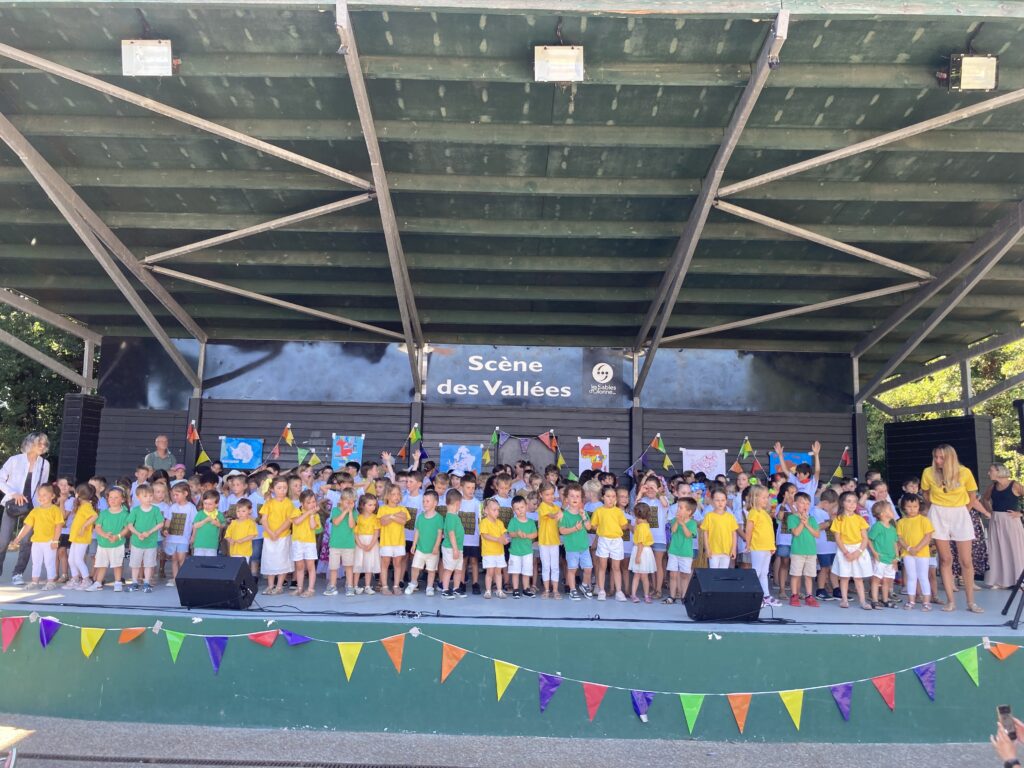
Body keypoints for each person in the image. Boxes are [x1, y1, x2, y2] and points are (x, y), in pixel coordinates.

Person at [920, 444, 991, 613]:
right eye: (936, 457)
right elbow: (925, 493)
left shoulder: (964, 472)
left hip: (960, 512)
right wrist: (934, 507)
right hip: (938, 512)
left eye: (941, 457)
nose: (938, 460)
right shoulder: (928, 472)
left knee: (966, 560)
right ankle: (950, 601)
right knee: (945, 559)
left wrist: (964, 511)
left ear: (950, 458)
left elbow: (972, 495)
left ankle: (971, 602)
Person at [0, 431, 51, 585]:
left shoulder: (45, 464)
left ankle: (18, 573)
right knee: (3, 540)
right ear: (30, 443)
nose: (42, 446)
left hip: (33, 507)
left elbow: (42, 486)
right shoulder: (14, 460)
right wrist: (13, 493)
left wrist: (43, 505)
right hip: (13, 504)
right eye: (39, 443)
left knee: (27, 541)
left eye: (44, 443)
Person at [7, 482, 62, 590]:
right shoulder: (35, 511)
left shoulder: (55, 510)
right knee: (36, 562)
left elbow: (58, 526)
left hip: (49, 541)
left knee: (49, 562)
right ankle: (34, 581)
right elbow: (27, 526)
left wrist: (55, 541)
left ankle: (51, 582)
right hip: (36, 542)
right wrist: (18, 538)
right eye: (39, 495)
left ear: (52, 496)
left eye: (44, 495)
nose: (41, 497)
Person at [981, 463, 1024, 589]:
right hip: (996, 520)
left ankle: (1019, 581)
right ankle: (999, 581)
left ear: (999, 471)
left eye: (991, 470)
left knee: (1014, 549)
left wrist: (1021, 513)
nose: (988, 473)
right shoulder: (992, 486)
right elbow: (985, 499)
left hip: (1011, 520)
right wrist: (990, 511)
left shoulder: (1015, 485)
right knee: (997, 550)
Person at [832, 490, 872, 610]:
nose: (852, 504)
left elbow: (865, 538)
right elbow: (837, 538)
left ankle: (863, 601)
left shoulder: (860, 519)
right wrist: (845, 552)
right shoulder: (838, 519)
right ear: (842, 503)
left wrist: (858, 552)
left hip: (858, 549)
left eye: (854, 501)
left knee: (858, 577)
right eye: (849, 501)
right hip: (844, 549)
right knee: (844, 577)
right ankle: (844, 600)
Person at [86, 486, 129, 592]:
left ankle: (118, 582)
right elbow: (97, 527)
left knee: (117, 564)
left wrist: (117, 536)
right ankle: (98, 583)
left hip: (117, 544)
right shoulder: (104, 513)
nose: (113, 500)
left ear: (122, 499)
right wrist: (105, 535)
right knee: (101, 564)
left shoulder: (125, 514)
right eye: (110, 497)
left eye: (116, 497)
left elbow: (127, 528)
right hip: (103, 544)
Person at [590, 486, 628, 602]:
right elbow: (593, 525)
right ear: (602, 497)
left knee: (616, 567)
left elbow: (624, 526)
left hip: (616, 541)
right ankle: (601, 590)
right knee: (602, 566)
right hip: (603, 540)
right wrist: (602, 529)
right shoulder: (599, 511)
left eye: (613, 496)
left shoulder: (618, 511)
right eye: (608, 496)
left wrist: (615, 527)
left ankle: (619, 591)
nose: (611, 499)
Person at [896, 493, 933, 611]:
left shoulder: (924, 520)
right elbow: (899, 538)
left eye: (915, 506)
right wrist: (908, 548)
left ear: (919, 506)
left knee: (923, 576)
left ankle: (926, 602)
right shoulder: (901, 522)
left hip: (922, 553)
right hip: (908, 554)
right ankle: (911, 601)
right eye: (909, 507)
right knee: (911, 577)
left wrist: (917, 548)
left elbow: (928, 536)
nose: (912, 509)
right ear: (904, 507)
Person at [259, 477, 295, 595]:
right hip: (269, 536)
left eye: (285, 488)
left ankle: (279, 586)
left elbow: (288, 520)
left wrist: (277, 532)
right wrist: (270, 532)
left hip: (283, 536)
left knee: (282, 560)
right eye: (279, 488)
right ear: (272, 489)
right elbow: (264, 519)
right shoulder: (269, 502)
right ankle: (270, 585)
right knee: (269, 560)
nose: (282, 490)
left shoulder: (288, 503)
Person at [406, 488, 444, 596]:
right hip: (420, 548)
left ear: (435, 503)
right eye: (423, 501)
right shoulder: (420, 517)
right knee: (415, 567)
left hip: (433, 550)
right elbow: (417, 531)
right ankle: (413, 583)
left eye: (427, 501)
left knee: (431, 570)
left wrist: (436, 547)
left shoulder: (439, 518)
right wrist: (414, 544)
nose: (425, 503)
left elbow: (439, 534)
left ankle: (429, 587)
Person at [126, 484, 163, 593]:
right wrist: (138, 534)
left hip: (151, 543)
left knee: (149, 564)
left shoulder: (156, 510)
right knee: (135, 564)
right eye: (145, 496)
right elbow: (130, 525)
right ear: (138, 497)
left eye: (151, 495)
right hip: (137, 542)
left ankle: (147, 582)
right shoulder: (135, 510)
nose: (149, 498)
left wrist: (149, 532)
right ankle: (134, 582)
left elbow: (160, 523)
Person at [559, 485, 593, 601]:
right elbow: (562, 530)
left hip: (584, 547)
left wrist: (584, 517)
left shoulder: (583, 512)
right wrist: (575, 528)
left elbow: (588, 527)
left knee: (588, 568)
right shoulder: (564, 514)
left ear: (581, 499)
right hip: (572, 548)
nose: (575, 498)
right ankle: (572, 590)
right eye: (572, 496)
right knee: (572, 569)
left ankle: (584, 585)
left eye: (578, 496)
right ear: (566, 499)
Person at [376, 483, 411, 596]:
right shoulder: (382, 508)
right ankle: (384, 586)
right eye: (393, 494)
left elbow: (403, 521)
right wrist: (395, 516)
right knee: (385, 564)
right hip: (386, 542)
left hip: (399, 542)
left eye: (398, 494)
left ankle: (396, 586)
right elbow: (383, 522)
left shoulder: (403, 508)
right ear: (387, 496)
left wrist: (390, 516)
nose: (396, 496)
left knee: (397, 564)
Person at [787, 491, 820, 607]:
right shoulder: (791, 518)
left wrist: (807, 524)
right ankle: (794, 595)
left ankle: (809, 596)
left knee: (809, 575)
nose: (805, 506)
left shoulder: (812, 519)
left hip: (811, 552)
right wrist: (802, 522)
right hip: (797, 552)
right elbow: (796, 533)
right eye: (802, 503)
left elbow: (817, 534)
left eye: (807, 503)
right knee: (795, 574)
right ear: (795, 504)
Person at [162, 481, 197, 587]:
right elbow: (168, 520)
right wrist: (166, 529)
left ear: (185, 493)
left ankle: (182, 578)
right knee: (174, 559)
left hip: (183, 539)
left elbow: (195, 524)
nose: (175, 497)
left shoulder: (191, 507)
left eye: (177, 494)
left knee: (182, 559)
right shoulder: (173, 507)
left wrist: (193, 536)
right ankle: (175, 578)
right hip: (172, 538)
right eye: (173, 495)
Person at [666, 496, 698, 605]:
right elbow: (673, 530)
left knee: (685, 575)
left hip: (686, 553)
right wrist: (677, 521)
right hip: (674, 551)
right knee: (672, 574)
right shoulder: (674, 520)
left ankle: (684, 596)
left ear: (689, 511)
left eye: (681, 507)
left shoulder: (692, 523)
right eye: (678, 507)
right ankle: (672, 596)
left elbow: (689, 535)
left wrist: (683, 524)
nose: (678, 509)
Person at [325, 488, 357, 596]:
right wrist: (344, 512)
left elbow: (351, 525)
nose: (349, 504)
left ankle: (350, 586)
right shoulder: (335, 510)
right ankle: (332, 586)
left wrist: (350, 512)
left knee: (349, 567)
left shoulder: (354, 513)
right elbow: (336, 522)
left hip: (348, 545)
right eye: (347, 502)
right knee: (333, 567)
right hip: (335, 544)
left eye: (352, 502)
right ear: (341, 500)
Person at [867, 500, 898, 609]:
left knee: (887, 580)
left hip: (891, 559)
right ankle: (874, 600)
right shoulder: (878, 526)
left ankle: (885, 600)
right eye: (889, 509)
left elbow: (895, 543)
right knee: (876, 579)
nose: (892, 511)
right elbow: (869, 539)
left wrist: (896, 557)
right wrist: (874, 553)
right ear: (882, 514)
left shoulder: (892, 528)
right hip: (880, 558)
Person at [67, 483, 98, 590]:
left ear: (78, 494)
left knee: (78, 560)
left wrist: (84, 526)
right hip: (76, 537)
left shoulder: (86, 506)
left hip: (82, 538)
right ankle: (75, 579)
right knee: (71, 559)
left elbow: (94, 516)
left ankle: (86, 580)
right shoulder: (82, 506)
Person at [290, 490, 321, 597]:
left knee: (310, 566)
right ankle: (299, 588)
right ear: (302, 503)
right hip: (297, 542)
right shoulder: (296, 511)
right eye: (308, 502)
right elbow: (297, 522)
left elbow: (313, 527)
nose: (312, 504)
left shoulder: (316, 515)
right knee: (299, 566)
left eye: (313, 502)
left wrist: (312, 515)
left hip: (309, 543)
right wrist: (308, 513)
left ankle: (311, 589)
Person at [506, 495, 537, 599]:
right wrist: (517, 533)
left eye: (522, 507)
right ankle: (515, 589)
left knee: (526, 572)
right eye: (517, 509)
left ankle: (526, 589)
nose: (520, 510)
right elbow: (510, 533)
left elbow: (535, 534)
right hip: (515, 552)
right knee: (515, 571)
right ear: (513, 510)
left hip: (527, 552)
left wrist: (526, 535)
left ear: (526, 506)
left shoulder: (531, 522)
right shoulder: (513, 521)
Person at [700, 489, 739, 569]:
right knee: (713, 572)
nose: (720, 503)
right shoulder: (709, 516)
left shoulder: (730, 517)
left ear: (726, 501)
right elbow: (705, 533)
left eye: (723, 500)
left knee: (723, 572)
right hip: (713, 550)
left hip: (726, 550)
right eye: (717, 500)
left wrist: (733, 549)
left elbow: (734, 533)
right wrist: (707, 548)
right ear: (712, 501)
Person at [439, 489, 466, 599]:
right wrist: (455, 549)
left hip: (458, 548)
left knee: (458, 569)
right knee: (449, 569)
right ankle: (445, 589)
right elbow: (451, 534)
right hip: (451, 548)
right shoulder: (450, 517)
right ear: (458, 503)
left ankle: (456, 588)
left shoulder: (454, 516)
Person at [479, 498, 509, 599]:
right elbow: (485, 535)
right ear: (486, 510)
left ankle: (499, 590)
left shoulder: (500, 523)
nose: (497, 512)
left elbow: (504, 534)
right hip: (488, 553)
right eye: (494, 510)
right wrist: (498, 539)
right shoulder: (484, 522)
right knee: (490, 572)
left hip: (499, 552)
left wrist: (505, 539)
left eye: (498, 510)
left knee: (498, 572)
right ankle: (488, 591)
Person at [353, 494, 381, 594]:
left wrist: (371, 545)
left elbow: (376, 533)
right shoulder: (358, 517)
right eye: (370, 505)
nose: (373, 507)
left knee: (369, 564)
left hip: (371, 542)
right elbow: (355, 532)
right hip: (360, 542)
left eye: (374, 505)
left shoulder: (375, 518)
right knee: (358, 564)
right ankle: (355, 586)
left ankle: (367, 586)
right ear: (362, 505)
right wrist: (360, 544)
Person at [629, 502, 656, 603]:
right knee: (644, 576)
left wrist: (638, 556)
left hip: (640, 551)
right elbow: (640, 540)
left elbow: (640, 542)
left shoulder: (642, 526)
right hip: (643, 551)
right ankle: (646, 595)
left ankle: (634, 594)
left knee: (637, 575)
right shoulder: (644, 525)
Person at [191, 491, 225, 558]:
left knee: (210, 562)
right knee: (198, 562)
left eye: (210, 504)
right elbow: (195, 525)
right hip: (199, 544)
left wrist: (218, 524)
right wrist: (204, 521)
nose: (207, 506)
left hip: (212, 545)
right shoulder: (200, 513)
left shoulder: (219, 514)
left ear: (216, 504)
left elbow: (223, 525)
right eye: (205, 503)